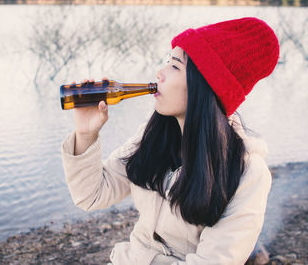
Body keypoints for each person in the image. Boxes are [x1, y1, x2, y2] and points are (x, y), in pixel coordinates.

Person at [61, 17, 279, 264]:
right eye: (167, 61)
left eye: (174, 66)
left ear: (204, 86)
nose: (160, 73)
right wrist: (86, 134)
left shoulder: (247, 173)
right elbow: (91, 196)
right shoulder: (153, 134)